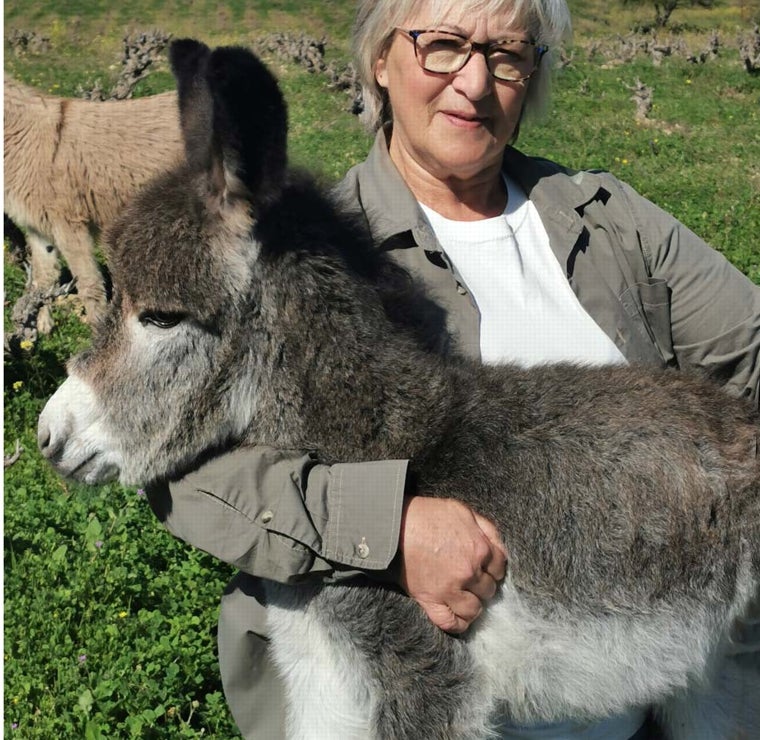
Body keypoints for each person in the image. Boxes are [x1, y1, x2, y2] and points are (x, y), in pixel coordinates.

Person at [147, 0, 760, 737]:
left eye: (508, 54)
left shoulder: (605, 221)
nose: (475, 82)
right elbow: (183, 465)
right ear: (380, 59)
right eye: (443, 46)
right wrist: (386, 527)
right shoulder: (312, 258)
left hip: (638, 697)